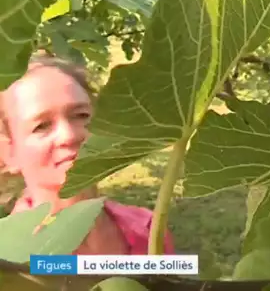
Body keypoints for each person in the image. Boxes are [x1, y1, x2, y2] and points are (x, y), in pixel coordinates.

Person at [0, 52, 175, 255]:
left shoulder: (149, 230)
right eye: (41, 126)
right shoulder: (9, 262)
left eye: (81, 115)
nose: (69, 135)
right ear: (8, 152)